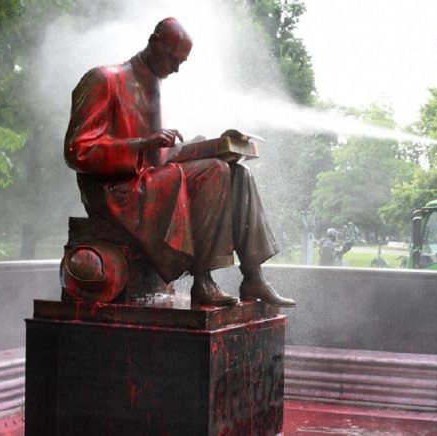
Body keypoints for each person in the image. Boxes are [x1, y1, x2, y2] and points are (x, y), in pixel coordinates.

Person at [64, 17, 295, 307]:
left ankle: (253, 277)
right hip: (115, 191)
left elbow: (161, 157)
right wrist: (143, 143)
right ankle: (203, 280)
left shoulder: (152, 88)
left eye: (181, 62)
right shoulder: (104, 79)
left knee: (238, 172)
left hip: (148, 180)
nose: (175, 68)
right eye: (172, 59)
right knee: (214, 171)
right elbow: (78, 151)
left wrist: (215, 145)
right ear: (153, 41)